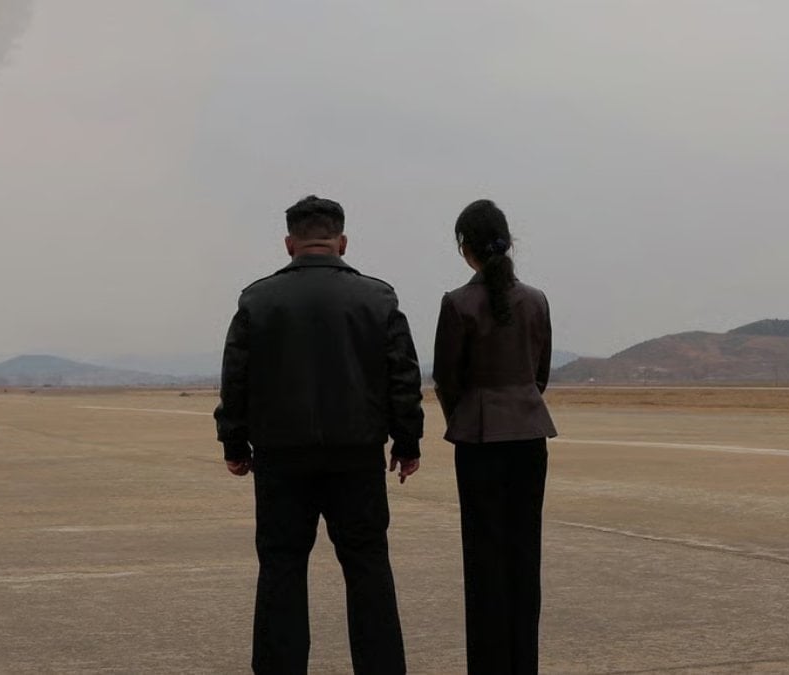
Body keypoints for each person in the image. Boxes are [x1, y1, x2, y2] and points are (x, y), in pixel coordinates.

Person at [215, 195, 424, 675]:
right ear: (342, 241)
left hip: (281, 458)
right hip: (357, 456)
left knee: (282, 568)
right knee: (368, 567)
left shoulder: (257, 300)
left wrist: (234, 443)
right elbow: (403, 377)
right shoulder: (378, 298)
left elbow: (236, 378)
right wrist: (407, 442)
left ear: (289, 243)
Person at [433, 199, 557, 674]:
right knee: (525, 556)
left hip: (479, 439)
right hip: (529, 436)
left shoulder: (457, 303)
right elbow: (539, 373)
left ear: (466, 248)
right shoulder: (537, 300)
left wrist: (465, 416)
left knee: (483, 560)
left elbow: (447, 378)